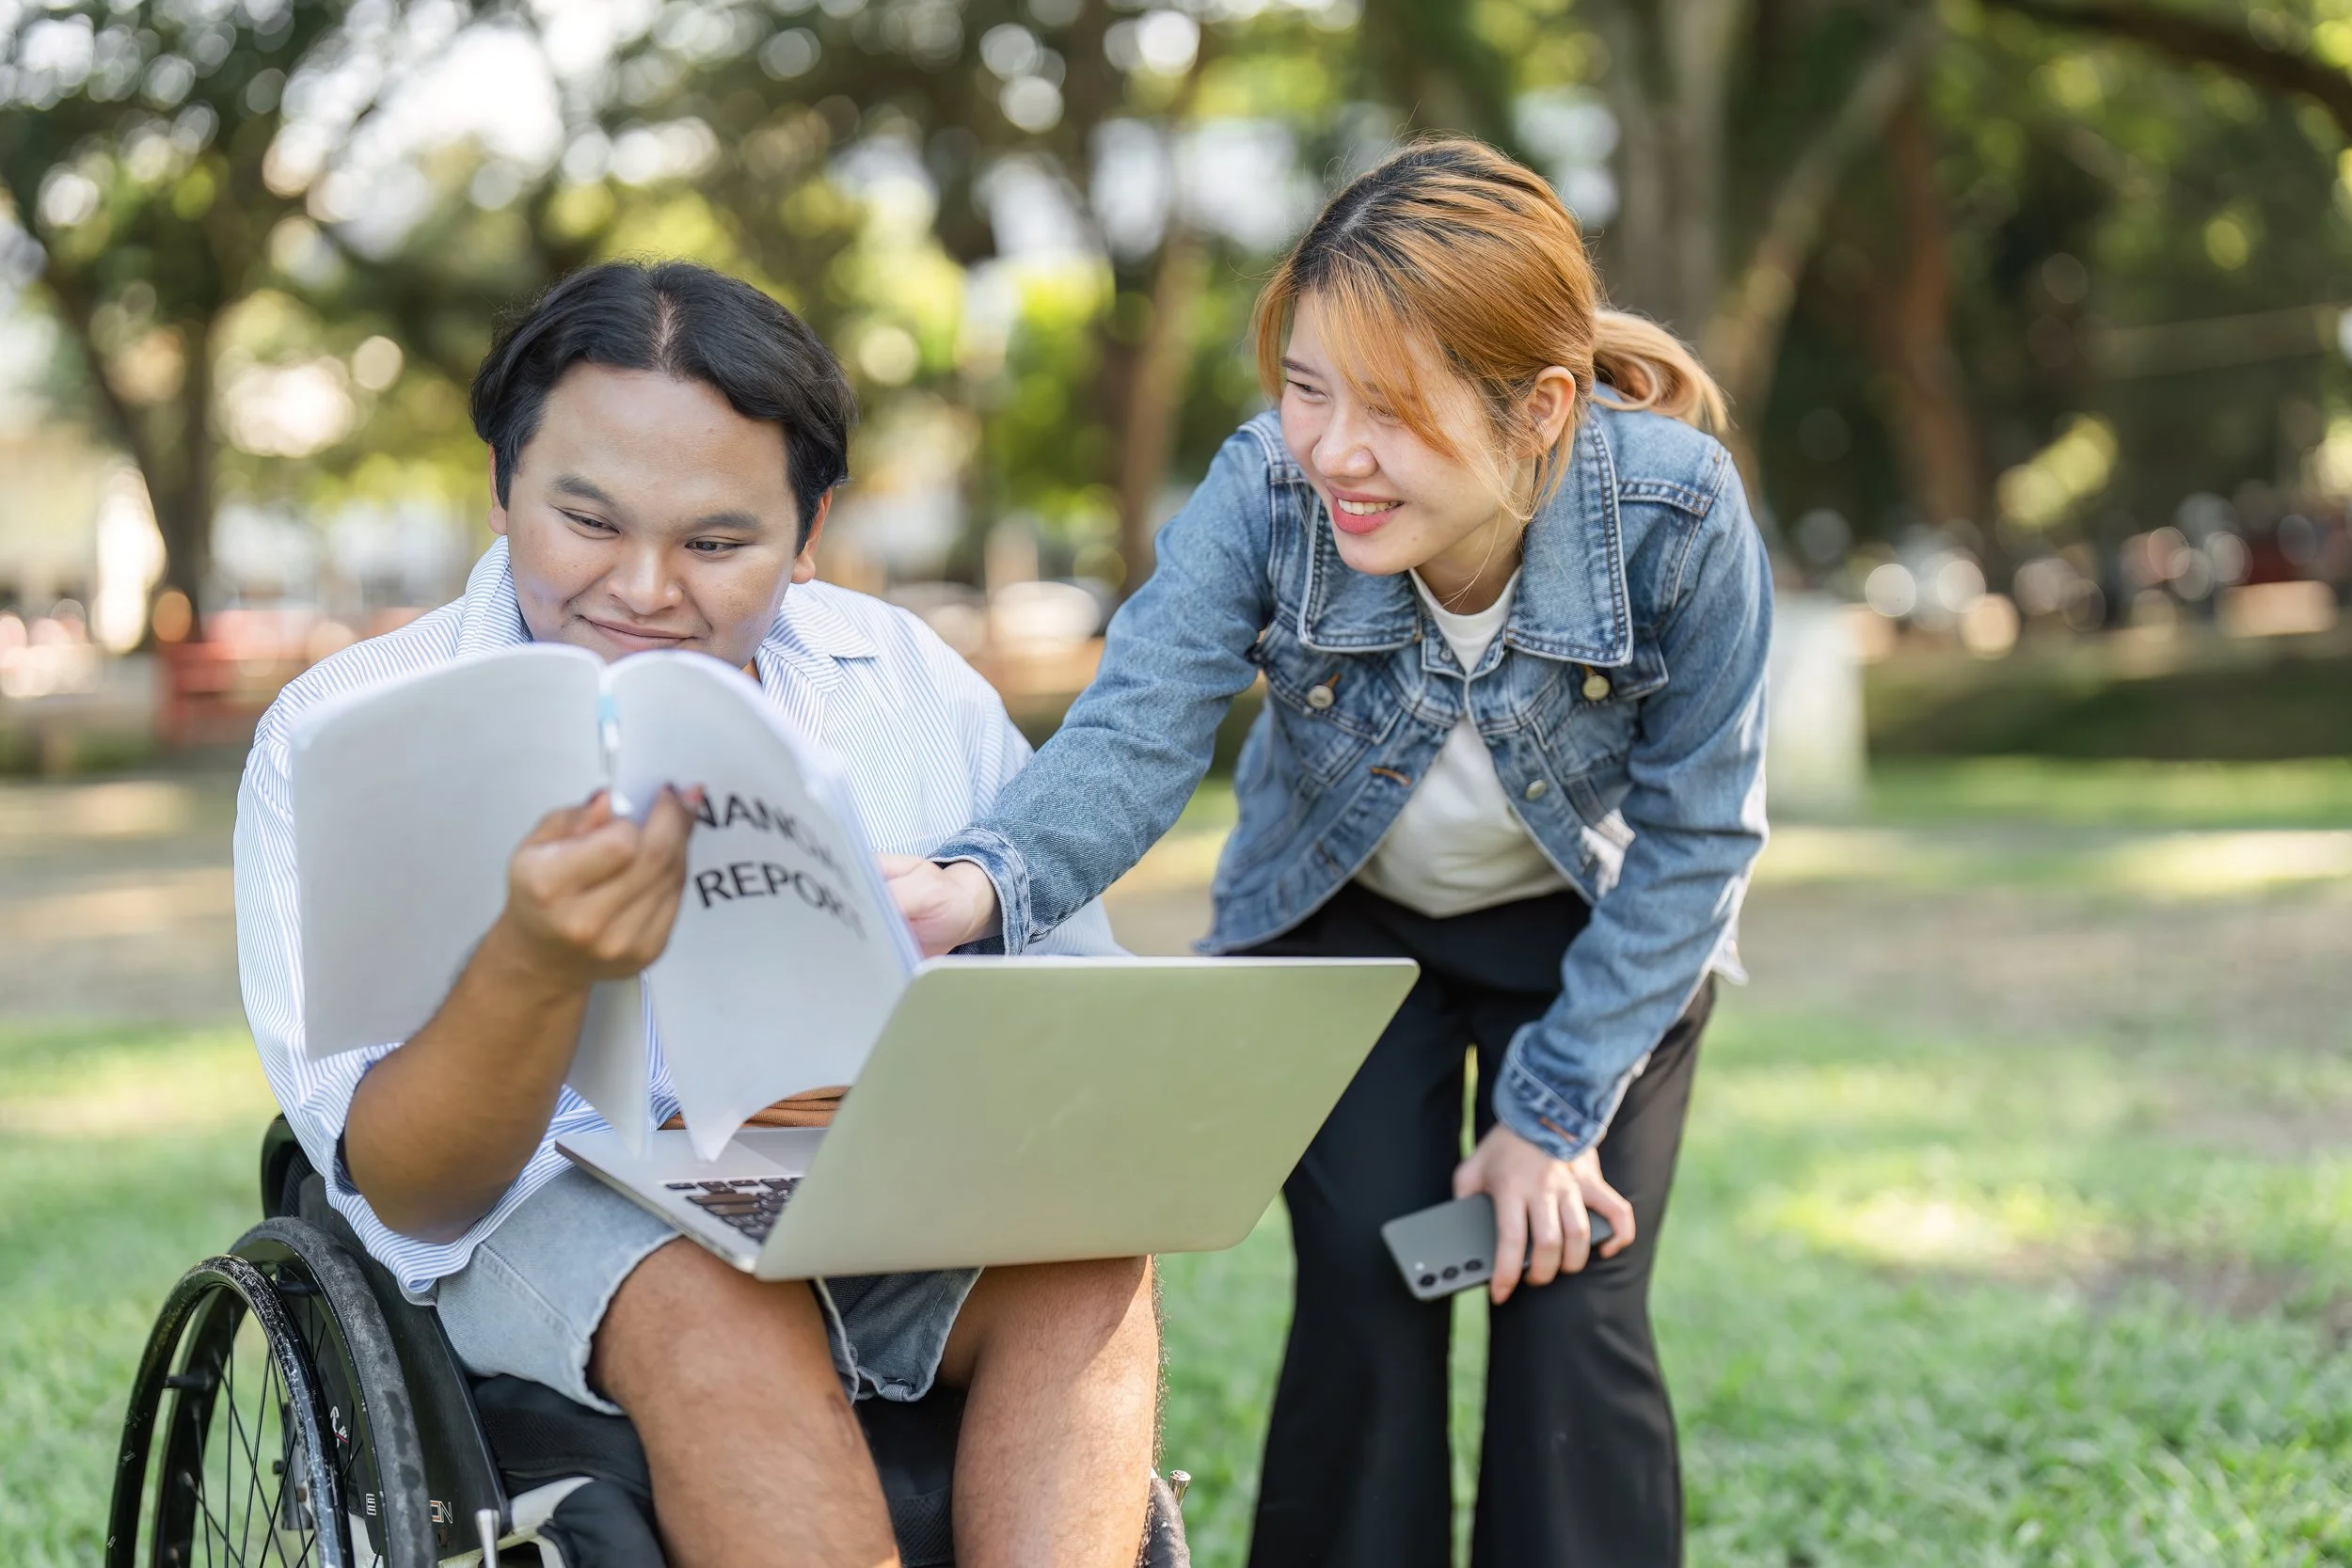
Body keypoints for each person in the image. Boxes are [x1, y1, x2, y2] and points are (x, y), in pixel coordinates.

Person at [885, 139, 1772, 1567]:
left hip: (1602, 941)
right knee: (1370, 1291)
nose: (1334, 450)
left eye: (1391, 409)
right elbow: (1139, 728)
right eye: (1306, 386)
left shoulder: (1674, 513)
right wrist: (982, 878)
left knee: (1569, 1291)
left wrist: (1549, 1118)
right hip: (1340, 923)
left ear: (1539, 407)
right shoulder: (1267, 492)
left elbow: (1701, 831)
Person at [235, 261, 1160, 1568]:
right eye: (588, 522)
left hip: (854, 1176)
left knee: (1085, 1265)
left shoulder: (899, 681)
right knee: (701, 1294)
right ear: (502, 486)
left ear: (812, 527)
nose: (648, 590)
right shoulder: (343, 735)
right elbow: (414, 1186)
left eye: (720, 544)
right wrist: (535, 965)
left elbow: (1070, 1018)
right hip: (542, 1201)